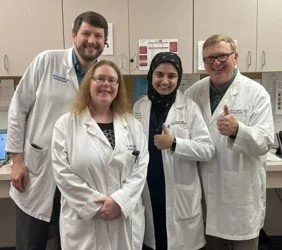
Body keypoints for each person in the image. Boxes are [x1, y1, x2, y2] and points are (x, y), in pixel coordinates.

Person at [6, 11, 108, 249]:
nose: (92, 41)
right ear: (74, 36)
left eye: (98, 36)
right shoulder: (47, 61)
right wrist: (17, 160)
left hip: (76, 176)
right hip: (37, 171)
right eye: (86, 34)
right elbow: (18, 108)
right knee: (31, 242)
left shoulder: (102, 76)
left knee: (72, 242)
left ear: (104, 43)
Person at [185, 34, 274, 250]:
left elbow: (265, 142)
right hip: (206, 197)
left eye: (222, 56)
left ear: (235, 57)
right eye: (208, 58)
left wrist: (238, 131)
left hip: (241, 199)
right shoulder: (193, 93)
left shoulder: (255, 93)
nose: (215, 63)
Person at [51, 60, 149, 249]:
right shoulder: (66, 124)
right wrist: (95, 205)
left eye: (112, 80)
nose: (106, 84)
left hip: (123, 218)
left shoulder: (131, 124)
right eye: (100, 79)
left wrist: (119, 201)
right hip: (85, 221)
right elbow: (61, 172)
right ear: (89, 83)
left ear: (118, 87)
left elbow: (141, 166)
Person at [133, 52, 215, 250]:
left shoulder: (189, 108)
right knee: (153, 242)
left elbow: (207, 150)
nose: (165, 81)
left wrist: (174, 143)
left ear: (178, 78)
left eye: (171, 76)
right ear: (151, 75)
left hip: (179, 194)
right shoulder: (139, 107)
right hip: (147, 192)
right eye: (159, 74)